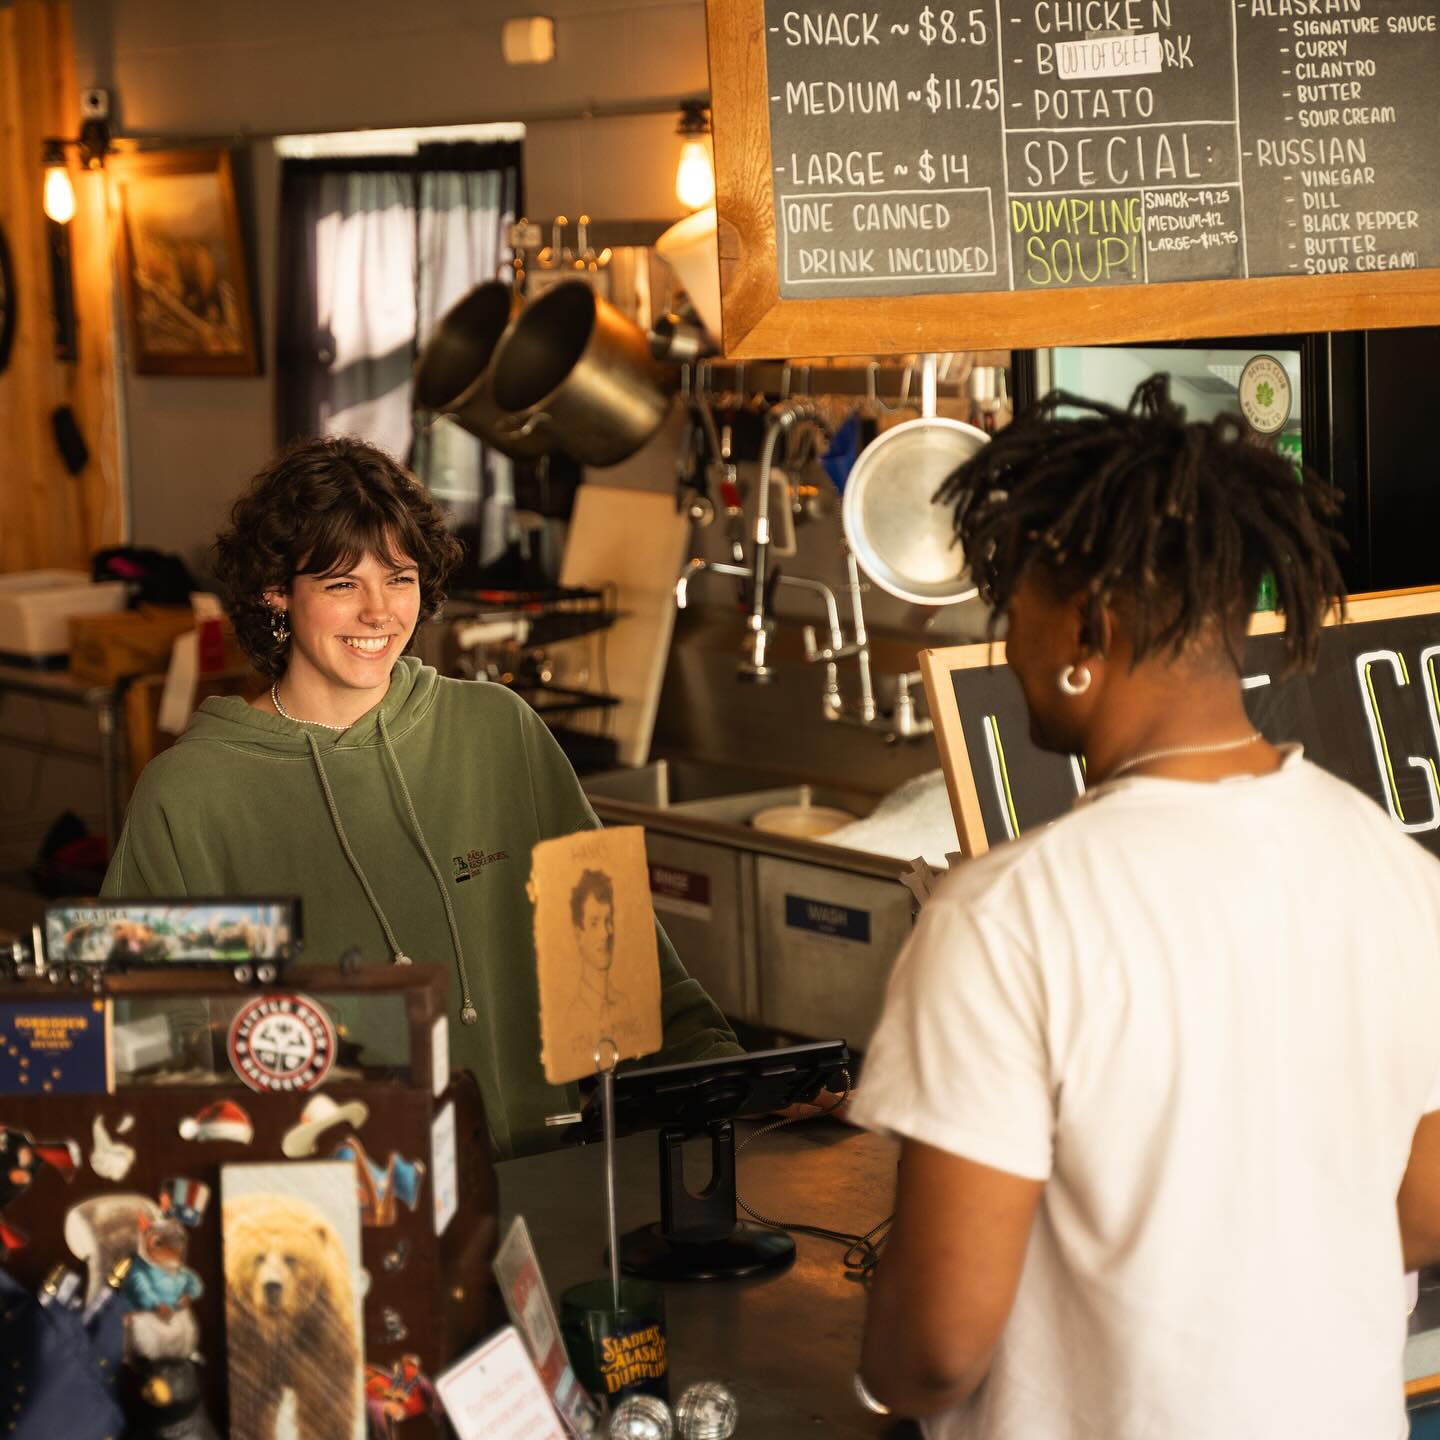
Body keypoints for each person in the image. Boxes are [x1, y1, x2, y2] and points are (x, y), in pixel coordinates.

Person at [849, 377, 1440, 1438]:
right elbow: (1428, 1207)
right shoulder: (1394, 868)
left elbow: (934, 1349)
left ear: (1090, 626)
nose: (1008, 635)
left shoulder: (1005, 917)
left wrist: (881, 1352)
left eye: (1015, 599)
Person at [102, 437, 740, 1158]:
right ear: (277, 592)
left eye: (399, 578)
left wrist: (739, 1080)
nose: (379, 613)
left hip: (542, 1196)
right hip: (334, 1225)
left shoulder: (498, 731)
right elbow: (145, 1056)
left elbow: (627, 972)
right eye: (343, 584)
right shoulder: (190, 795)